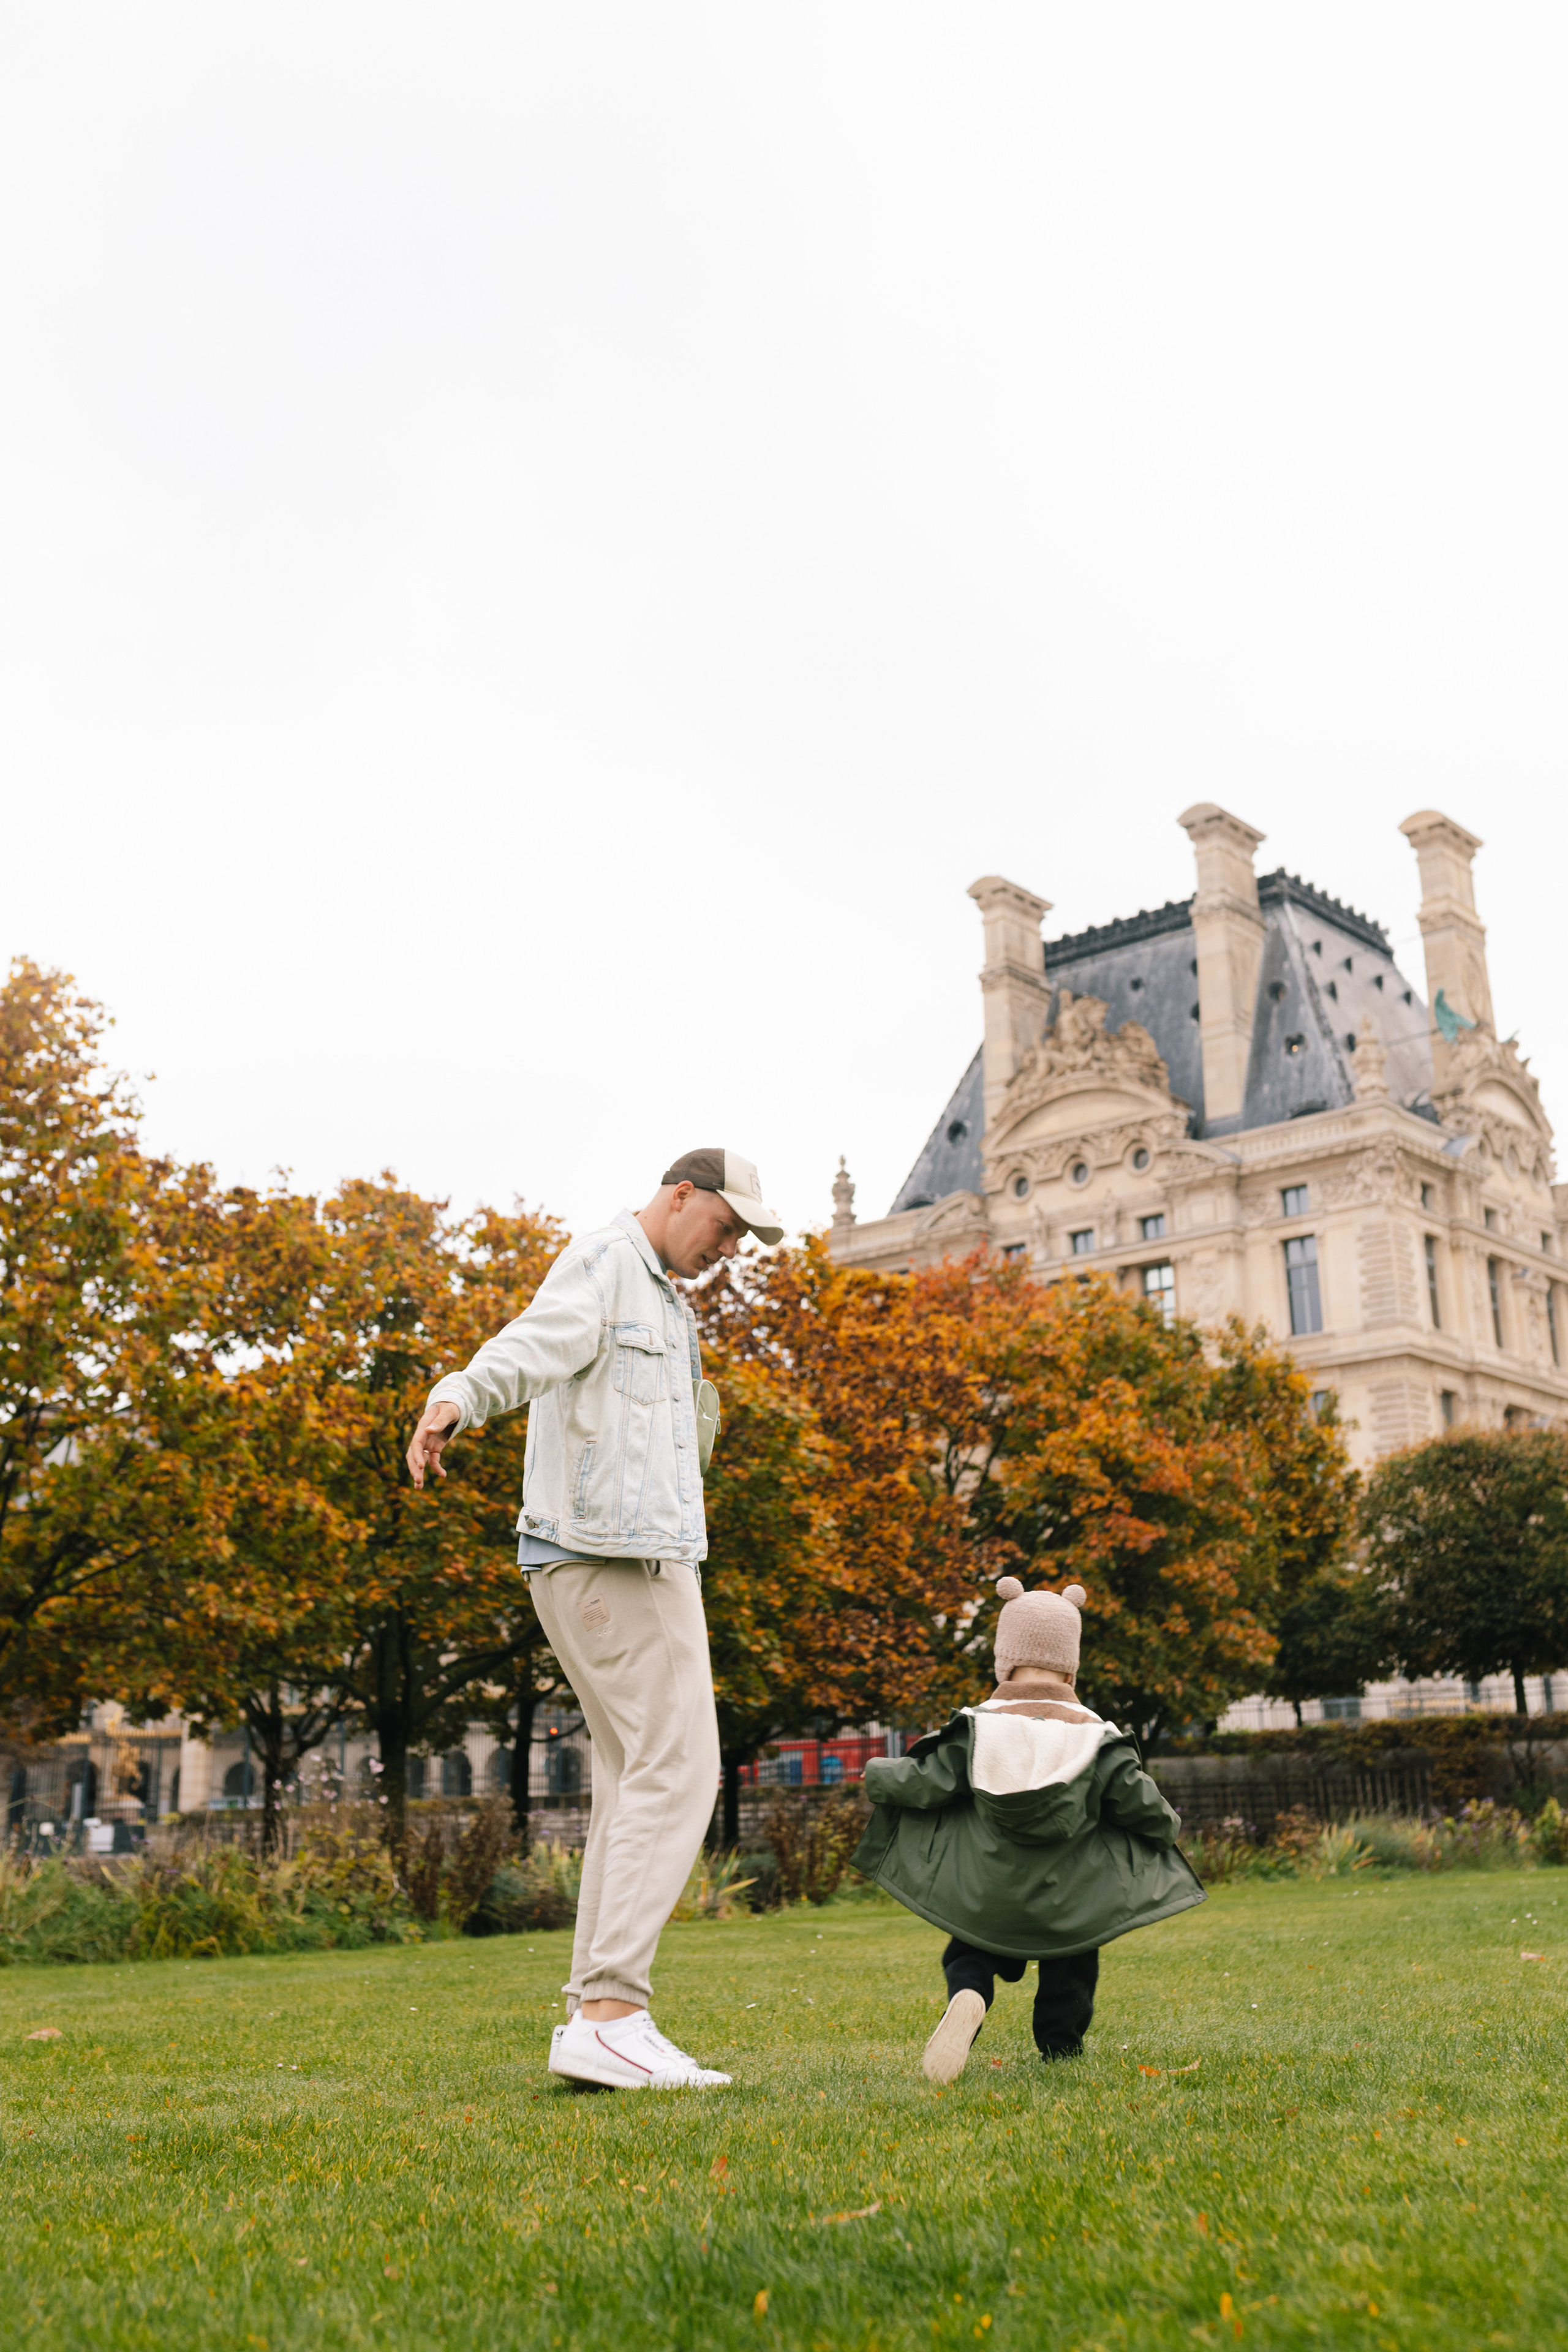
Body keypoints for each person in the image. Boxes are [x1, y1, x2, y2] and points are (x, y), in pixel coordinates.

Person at [405, 1148, 783, 2091]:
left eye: (743, 1238)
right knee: (681, 1764)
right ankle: (615, 2012)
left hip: (625, 1554)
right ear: (681, 1194)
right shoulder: (610, 1264)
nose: (729, 1248)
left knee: (630, 1779)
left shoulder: (665, 1297)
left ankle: (595, 2019)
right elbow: (530, 1345)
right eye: (725, 1226)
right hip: (611, 1558)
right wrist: (455, 1397)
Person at [853, 1576, 1204, 2083]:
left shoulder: (978, 1729)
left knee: (969, 1952)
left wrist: (881, 1775)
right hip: (1072, 1900)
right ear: (1071, 1665)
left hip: (988, 1894)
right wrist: (1166, 1825)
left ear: (1004, 1659)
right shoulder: (1097, 1739)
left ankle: (969, 1995)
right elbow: (1137, 1800)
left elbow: (927, 1782)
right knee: (1074, 1964)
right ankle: (1061, 2049)